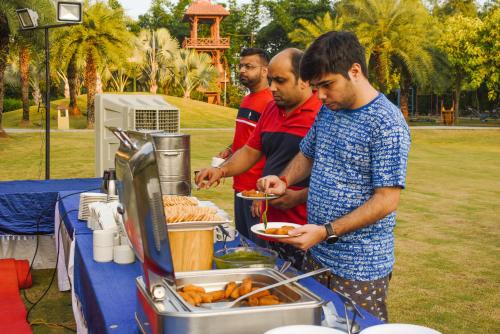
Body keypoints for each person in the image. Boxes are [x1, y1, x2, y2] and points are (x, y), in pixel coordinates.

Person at [257, 31, 411, 321]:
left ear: (354, 71)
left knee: (354, 328)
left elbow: (387, 200)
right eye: (316, 87)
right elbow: (307, 154)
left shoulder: (387, 123)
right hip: (317, 254)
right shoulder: (329, 110)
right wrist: (284, 180)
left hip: (359, 267)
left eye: (327, 85)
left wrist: (326, 230)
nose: (320, 96)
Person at [196, 48, 322, 269]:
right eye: (271, 80)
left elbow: (333, 176)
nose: (272, 87)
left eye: (280, 81)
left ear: (304, 80)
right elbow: (250, 150)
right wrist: (222, 170)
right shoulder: (272, 108)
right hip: (268, 223)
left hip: (305, 230)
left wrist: (299, 196)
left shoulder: (321, 114)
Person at [216, 48, 273, 245]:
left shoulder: (271, 102)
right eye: (241, 66)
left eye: (249, 66)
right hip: (239, 185)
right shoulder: (247, 99)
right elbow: (250, 138)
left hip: (257, 191)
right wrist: (231, 149)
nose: (242, 70)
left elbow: (272, 149)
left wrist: (263, 194)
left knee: (259, 248)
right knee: (243, 243)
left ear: (265, 71)